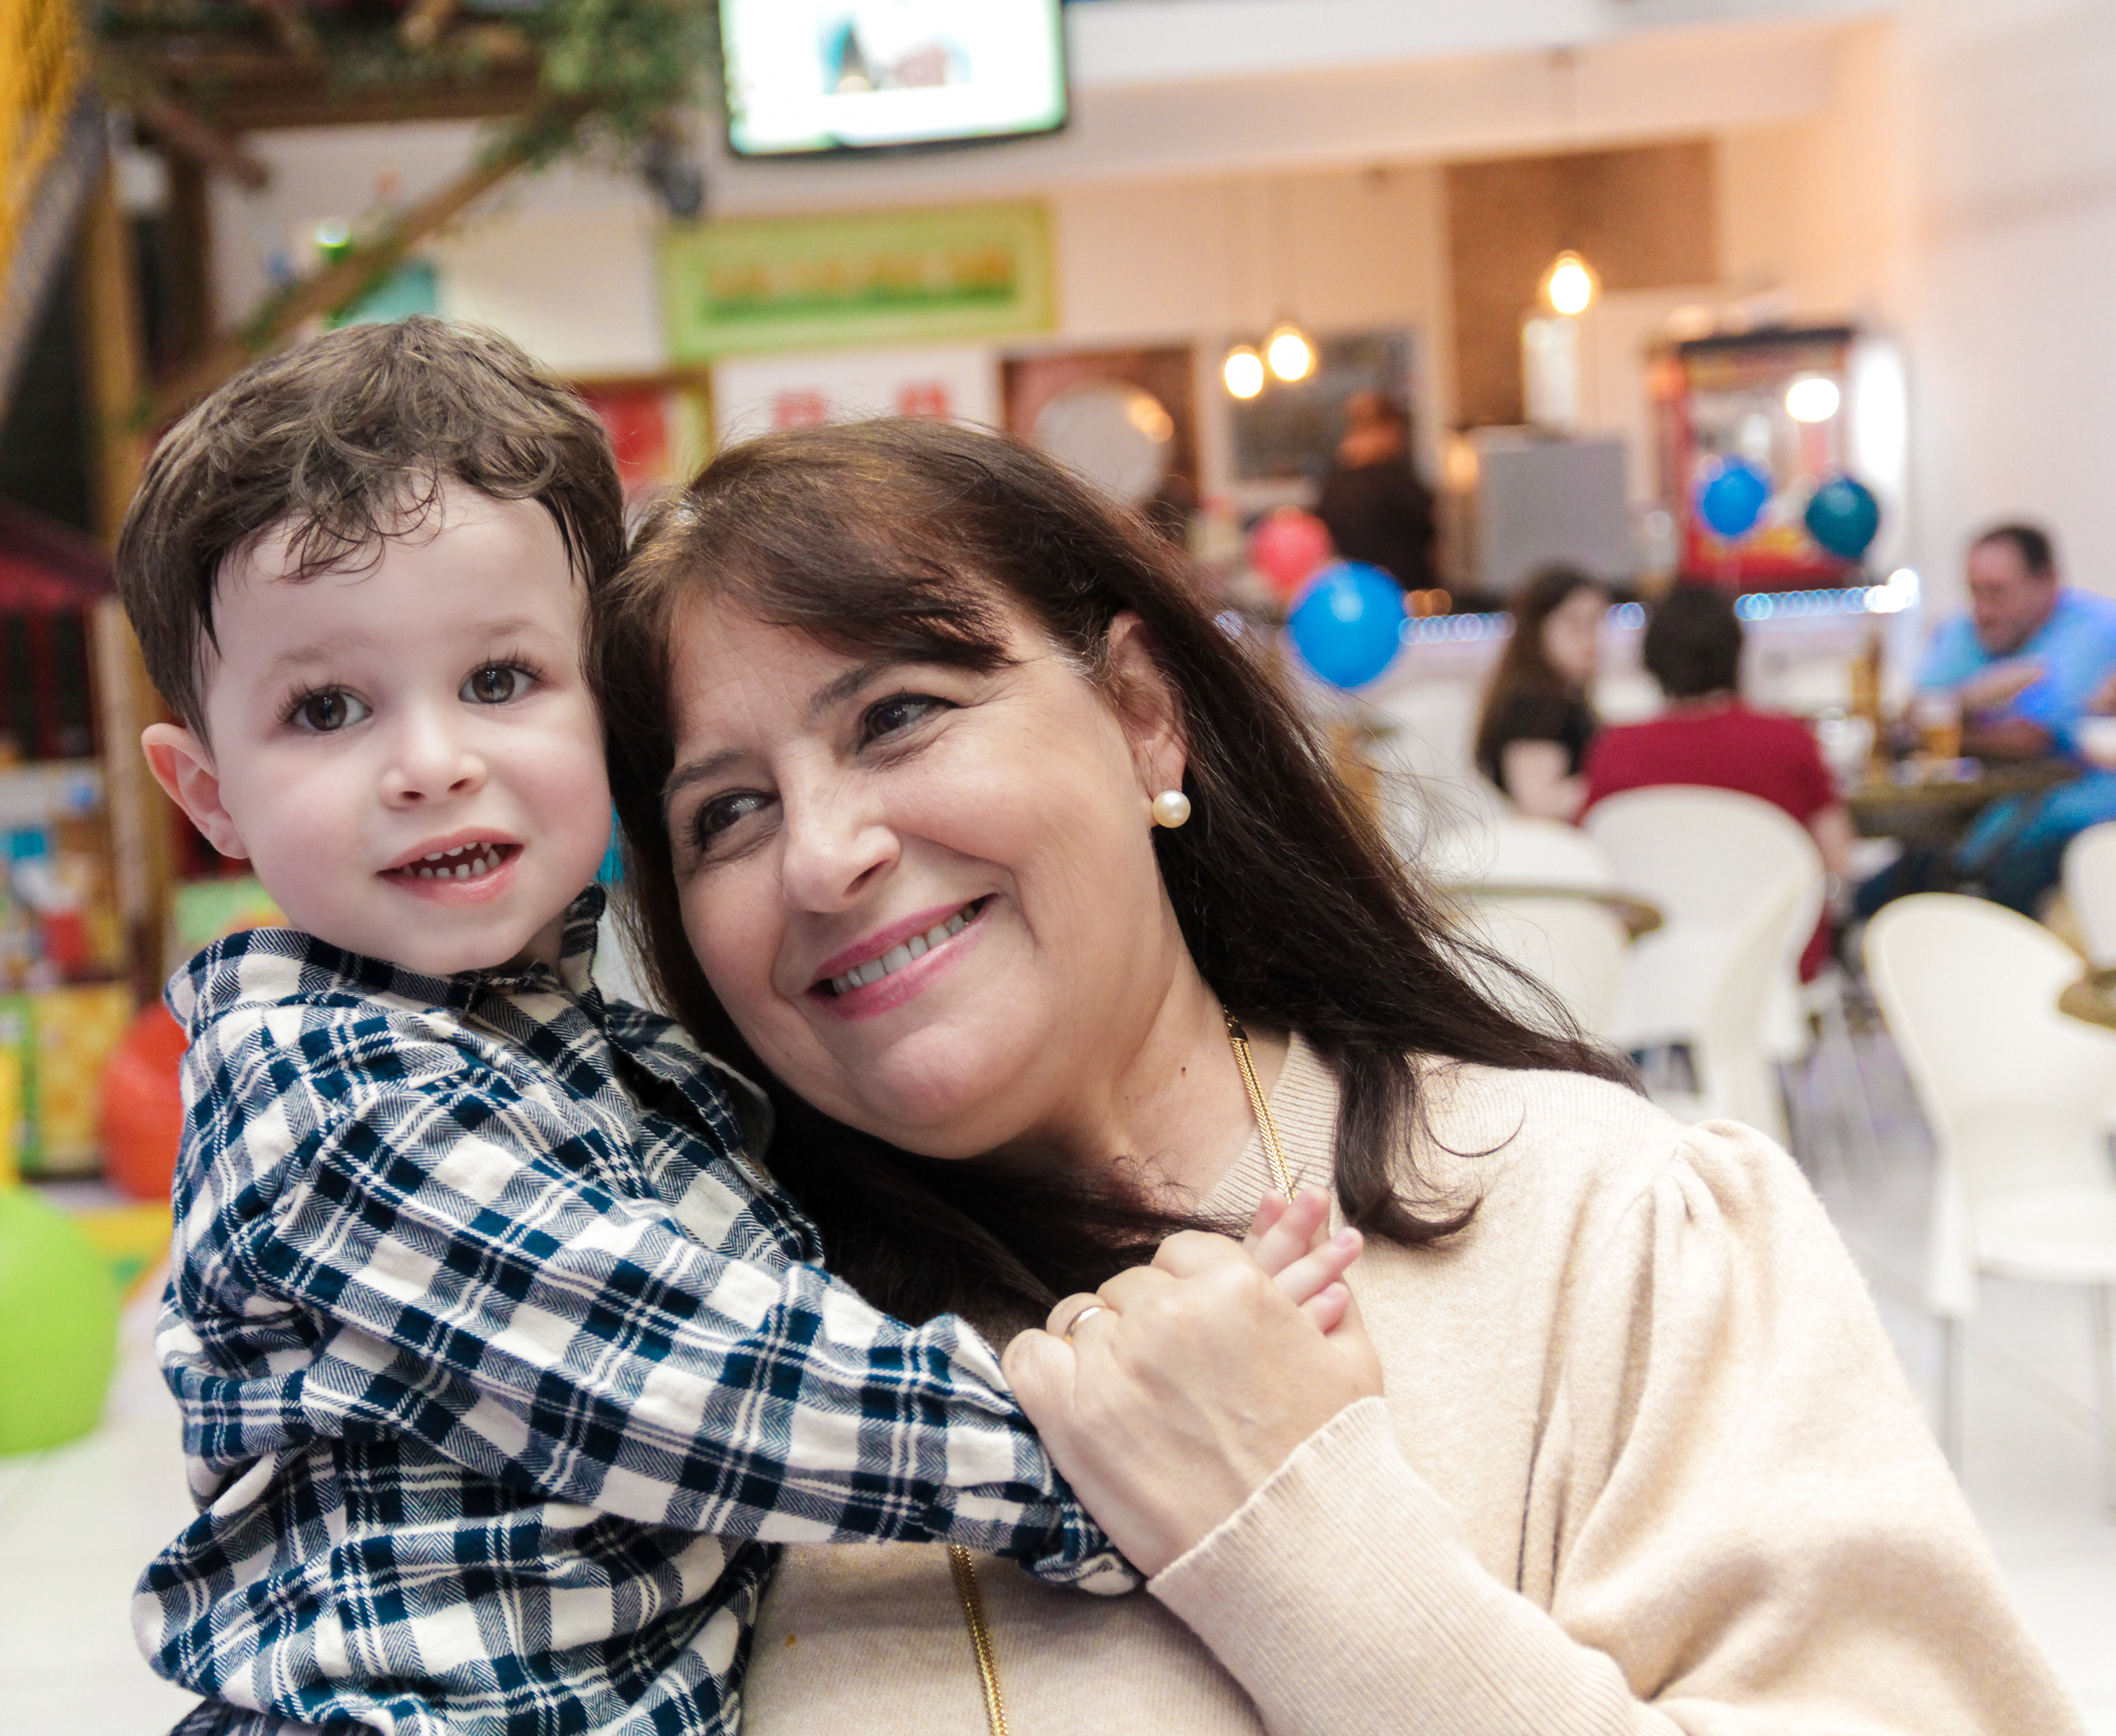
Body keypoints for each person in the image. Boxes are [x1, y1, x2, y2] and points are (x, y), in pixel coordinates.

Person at [592, 417, 2080, 1736]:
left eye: (899, 713)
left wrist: (1296, 1533)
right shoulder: (678, 1375)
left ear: (1140, 715)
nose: (821, 852)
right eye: (726, 812)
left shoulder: (1600, 1224)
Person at [111, 319, 1360, 1735]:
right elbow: (688, 1378)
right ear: (206, 790)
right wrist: (1130, 1456)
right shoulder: (324, 1093)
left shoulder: (624, 1068)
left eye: (501, 679)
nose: (431, 761)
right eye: (325, 707)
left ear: (607, 710)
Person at [1584, 582, 1852, 976]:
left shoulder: (1613, 749)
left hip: (1654, 968)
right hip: (1775, 965)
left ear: (1652, 658)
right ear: (1736, 652)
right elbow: (1839, 857)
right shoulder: (1787, 739)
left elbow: (1598, 864)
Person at [1908, 522, 2116, 915]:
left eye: (1999, 591)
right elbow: (1914, 714)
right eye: (1975, 591)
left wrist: (1956, 713)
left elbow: (2033, 737)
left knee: (1996, 882)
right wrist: (1972, 699)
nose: (1984, 608)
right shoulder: (1967, 629)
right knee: (1900, 884)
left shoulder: (2095, 629)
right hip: (1984, 816)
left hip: (2069, 821)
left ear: (2048, 582)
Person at [1472, 564, 1607, 819]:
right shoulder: (1534, 704)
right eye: (1575, 624)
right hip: (1551, 848)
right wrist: (1614, 784)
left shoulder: (1561, 695)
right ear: (1537, 630)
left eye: (1596, 623)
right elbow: (1539, 803)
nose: (1591, 639)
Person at [1312, 389, 1438, 593]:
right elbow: (1432, 524)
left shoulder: (1335, 481)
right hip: (1404, 594)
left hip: (1352, 592)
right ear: (1389, 429)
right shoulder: (1394, 479)